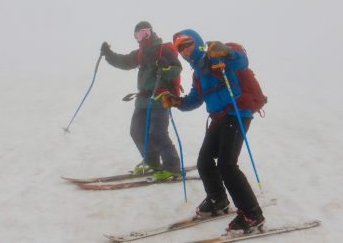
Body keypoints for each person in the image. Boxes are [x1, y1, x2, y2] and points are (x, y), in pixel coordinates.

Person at [161, 29, 265, 232]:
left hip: (237, 112)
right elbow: (195, 99)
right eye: (179, 48)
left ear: (197, 42)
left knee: (227, 165)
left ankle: (253, 214)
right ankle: (218, 200)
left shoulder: (216, 54)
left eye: (187, 44)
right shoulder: (198, 73)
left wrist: (226, 52)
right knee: (204, 161)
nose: (184, 51)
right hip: (219, 118)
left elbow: (241, 62)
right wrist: (178, 101)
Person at [100, 21, 182, 180]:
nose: (143, 37)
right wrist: (108, 54)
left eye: (145, 32)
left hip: (160, 98)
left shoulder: (163, 49)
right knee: (137, 132)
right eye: (138, 34)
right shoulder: (140, 53)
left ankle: (172, 167)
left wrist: (165, 68)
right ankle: (152, 163)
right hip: (143, 99)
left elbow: (177, 69)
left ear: (152, 32)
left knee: (158, 133)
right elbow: (123, 61)